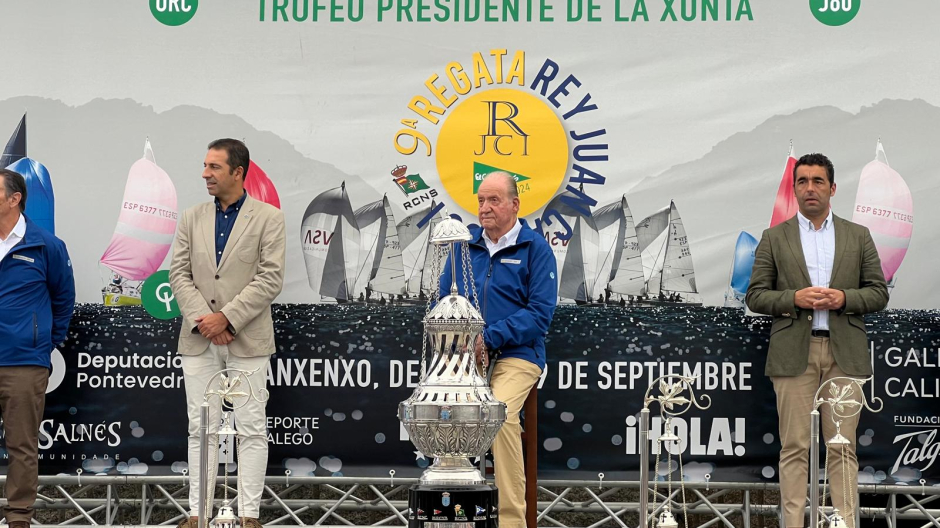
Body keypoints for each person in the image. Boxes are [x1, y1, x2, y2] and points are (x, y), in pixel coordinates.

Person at [746, 153, 888, 528]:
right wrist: (793, 298)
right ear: (794, 189)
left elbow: (878, 292)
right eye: (803, 181)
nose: (810, 188)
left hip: (845, 355)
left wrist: (844, 298)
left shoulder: (859, 236)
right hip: (795, 354)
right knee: (794, 448)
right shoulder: (774, 238)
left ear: (832, 188)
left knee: (842, 449)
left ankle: (844, 523)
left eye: (818, 181)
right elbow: (755, 295)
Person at [169, 139, 286, 528]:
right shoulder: (190, 217)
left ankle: (249, 515)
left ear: (238, 172)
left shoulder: (269, 218)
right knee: (199, 427)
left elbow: (270, 278)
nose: (205, 174)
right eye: (205, 166)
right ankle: (198, 514)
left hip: (248, 339)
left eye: (215, 167)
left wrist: (229, 319)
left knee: (250, 428)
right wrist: (207, 318)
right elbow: (178, 275)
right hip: (199, 338)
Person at [438, 172, 558, 528]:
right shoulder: (464, 247)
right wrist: (464, 341)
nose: (485, 208)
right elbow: (444, 301)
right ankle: (450, 516)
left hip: (518, 355)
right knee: (439, 413)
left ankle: (510, 522)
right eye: (480, 201)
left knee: (500, 413)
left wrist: (489, 338)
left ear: (514, 204)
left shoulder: (536, 249)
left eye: (494, 200)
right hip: (465, 354)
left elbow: (539, 316)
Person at [0, 168, 75, 528]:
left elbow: (64, 299)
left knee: (22, 447)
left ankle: (18, 518)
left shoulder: (46, 245)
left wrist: (43, 341)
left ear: (14, 199)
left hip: (24, 364)